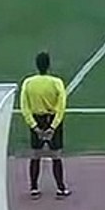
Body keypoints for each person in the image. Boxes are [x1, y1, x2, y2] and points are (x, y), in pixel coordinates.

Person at [20, 51, 70, 198]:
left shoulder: (28, 83)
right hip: (52, 119)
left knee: (35, 155)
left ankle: (34, 188)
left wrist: (34, 126)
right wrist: (53, 127)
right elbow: (61, 106)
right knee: (56, 156)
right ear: (49, 65)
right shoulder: (57, 82)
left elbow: (25, 106)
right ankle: (61, 188)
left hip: (37, 119)